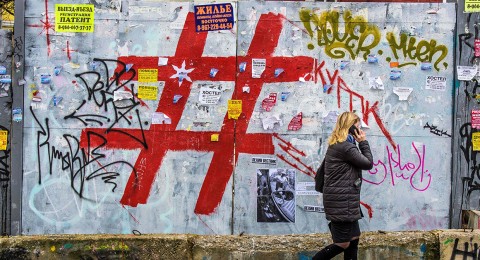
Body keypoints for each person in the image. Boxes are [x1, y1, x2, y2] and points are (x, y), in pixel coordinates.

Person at [313, 112, 373, 260]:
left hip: (345, 201)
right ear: (351, 127)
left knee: (354, 238)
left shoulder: (341, 143)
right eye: (358, 126)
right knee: (343, 243)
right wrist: (363, 142)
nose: (361, 130)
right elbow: (367, 163)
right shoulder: (345, 146)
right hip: (341, 202)